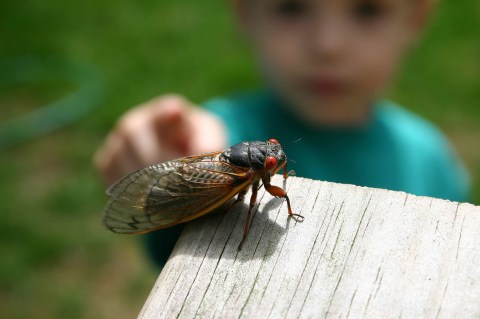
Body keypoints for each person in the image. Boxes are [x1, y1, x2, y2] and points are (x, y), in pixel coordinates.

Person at [94, 0, 470, 266]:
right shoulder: (221, 130)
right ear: (244, 11)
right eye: (292, 6)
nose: (328, 45)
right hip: (210, 178)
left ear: (417, 17)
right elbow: (188, 234)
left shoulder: (431, 160)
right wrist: (170, 153)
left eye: (367, 8)